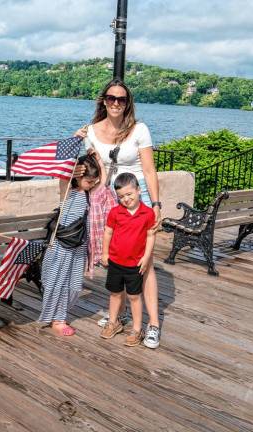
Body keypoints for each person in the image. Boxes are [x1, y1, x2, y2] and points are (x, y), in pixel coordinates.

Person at [75, 78, 162, 349]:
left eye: (121, 99)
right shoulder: (90, 131)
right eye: (111, 98)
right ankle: (121, 315)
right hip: (108, 200)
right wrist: (76, 147)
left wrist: (156, 204)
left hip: (138, 198)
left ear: (127, 104)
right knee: (117, 258)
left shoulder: (139, 129)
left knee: (142, 264)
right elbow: (89, 166)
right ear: (103, 100)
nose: (115, 103)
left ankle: (153, 324)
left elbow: (148, 170)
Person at [39, 154, 105, 336]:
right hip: (62, 244)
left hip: (79, 246)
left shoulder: (89, 193)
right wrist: (73, 164)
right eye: (88, 181)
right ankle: (58, 319)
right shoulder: (67, 190)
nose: (92, 184)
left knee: (74, 284)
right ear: (78, 177)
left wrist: (98, 159)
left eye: (94, 181)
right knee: (58, 281)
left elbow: (103, 181)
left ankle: (60, 315)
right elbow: (62, 174)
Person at [100, 173, 155, 346]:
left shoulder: (148, 213)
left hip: (135, 264)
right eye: (121, 196)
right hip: (116, 262)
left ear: (139, 190)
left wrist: (146, 257)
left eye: (130, 194)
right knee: (115, 294)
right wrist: (105, 253)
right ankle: (113, 322)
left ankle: (137, 330)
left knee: (134, 297)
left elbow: (150, 236)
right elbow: (108, 232)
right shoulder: (115, 212)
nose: (126, 199)